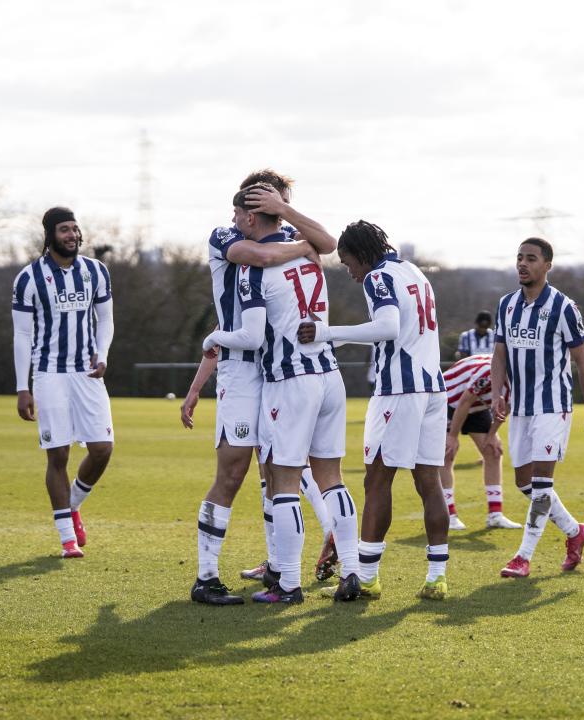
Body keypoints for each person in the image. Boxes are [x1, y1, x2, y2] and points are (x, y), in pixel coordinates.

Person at [183, 170, 339, 605]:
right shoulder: (223, 235)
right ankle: (205, 576)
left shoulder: (286, 229)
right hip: (239, 366)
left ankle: (278, 567)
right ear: (253, 206)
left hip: (277, 367)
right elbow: (259, 256)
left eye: (283, 200)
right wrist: (300, 247)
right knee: (233, 470)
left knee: (276, 470)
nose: (278, 208)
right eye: (270, 201)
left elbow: (328, 244)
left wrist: (291, 223)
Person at [299, 220, 451, 601]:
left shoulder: (378, 277)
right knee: (428, 483)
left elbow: (387, 328)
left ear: (363, 254)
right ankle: (437, 578)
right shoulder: (414, 270)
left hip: (399, 390)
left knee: (377, 481)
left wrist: (325, 332)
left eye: (349, 263)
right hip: (434, 387)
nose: (350, 274)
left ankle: (366, 578)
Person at [491, 238, 584, 578]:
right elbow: (499, 354)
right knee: (525, 484)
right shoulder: (506, 305)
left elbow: (583, 362)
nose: (523, 264)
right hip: (521, 407)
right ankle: (575, 531)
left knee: (541, 484)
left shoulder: (563, 307)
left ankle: (523, 557)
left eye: (531, 259)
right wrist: (498, 392)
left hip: (553, 406)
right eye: (519, 258)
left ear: (547, 266)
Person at [12, 207, 115, 559]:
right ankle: (66, 537)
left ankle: (73, 504)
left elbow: (106, 321)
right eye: (64, 230)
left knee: (102, 448)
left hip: (86, 373)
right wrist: (22, 387)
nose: (72, 235)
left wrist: (102, 355)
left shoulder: (95, 271)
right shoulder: (28, 278)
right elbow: (22, 335)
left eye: (75, 229)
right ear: (50, 235)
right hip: (49, 373)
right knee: (58, 454)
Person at [440, 354, 521, 531]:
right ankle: (448, 515)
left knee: (493, 452)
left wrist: (492, 435)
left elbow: (506, 407)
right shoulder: (488, 372)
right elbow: (464, 401)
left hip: (476, 406)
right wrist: (452, 436)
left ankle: (495, 515)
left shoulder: (523, 376)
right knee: (447, 453)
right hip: (447, 400)